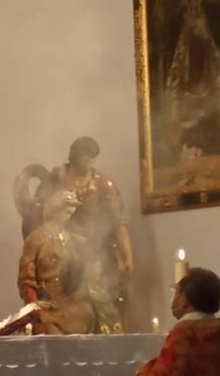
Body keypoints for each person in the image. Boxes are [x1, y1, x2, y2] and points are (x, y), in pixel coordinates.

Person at [17, 136, 133, 331]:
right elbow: (34, 214)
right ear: (74, 157)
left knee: (95, 310)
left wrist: (126, 258)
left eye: (92, 159)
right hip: (53, 261)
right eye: (84, 158)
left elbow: (117, 222)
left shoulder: (103, 185)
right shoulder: (56, 179)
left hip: (93, 253)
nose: (88, 164)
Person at [17, 190, 94, 334]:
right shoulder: (35, 240)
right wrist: (33, 304)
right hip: (44, 303)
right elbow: (26, 280)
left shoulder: (73, 240)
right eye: (66, 211)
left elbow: (85, 269)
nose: (69, 216)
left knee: (86, 312)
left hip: (68, 303)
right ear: (55, 210)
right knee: (47, 326)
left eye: (71, 212)